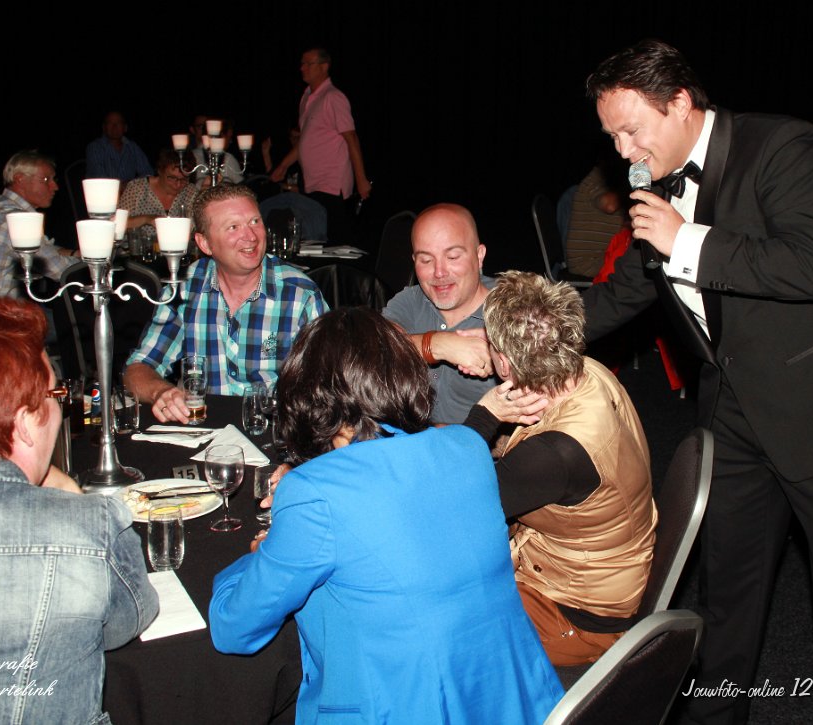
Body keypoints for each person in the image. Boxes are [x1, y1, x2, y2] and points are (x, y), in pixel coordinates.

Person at [583, 39, 813, 724]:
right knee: (726, 604)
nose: (624, 151)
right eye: (612, 138)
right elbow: (623, 293)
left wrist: (685, 239)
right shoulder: (654, 185)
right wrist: (523, 333)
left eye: (631, 130)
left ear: (680, 102)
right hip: (732, 414)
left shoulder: (783, 145)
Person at [209, 308, 563, 723]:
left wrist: (259, 556)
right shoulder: (467, 447)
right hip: (510, 700)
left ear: (307, 392)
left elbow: (234, 629)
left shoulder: (313, 492)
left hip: (400, 708)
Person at [0, 298, 158, 723]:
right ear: (23, 422)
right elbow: (130, 620)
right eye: (55, 394)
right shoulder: (89, 529)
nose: (60, 407)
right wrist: (73, 496)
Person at [463, 271, 655, 666]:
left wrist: (483, 417)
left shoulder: (555, 454)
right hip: (608, 572)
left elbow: (456, 502)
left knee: (438, 618)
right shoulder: (586, 370)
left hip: (577, 615)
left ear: (504, 363)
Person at [124, 183, 327, 422]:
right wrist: (161, 392)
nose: (251, 236)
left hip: (274, 431)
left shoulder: (299, 294)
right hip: (204, 431)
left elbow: (331, 383)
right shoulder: (186, 289)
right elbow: (138, 368)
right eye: (233, 227)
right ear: (205, 244)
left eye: (255, 221)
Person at [382, 203, 499, 425]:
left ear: (479, 256)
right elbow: (372, 350)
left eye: (452, 257)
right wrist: (438, 344)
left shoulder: (516, 309)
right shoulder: (410, 301)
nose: (439, 272)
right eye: (426, 260)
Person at [269, 47, 370, 242]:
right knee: (314, 240)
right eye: (302, 64)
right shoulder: (307, 97)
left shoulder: (333, 97)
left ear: (324, 66)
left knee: (334, 241)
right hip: (311, 184)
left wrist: (361, 179)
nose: (302, 68)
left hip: (331, 184)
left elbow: (351, 138)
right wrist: (283, 165)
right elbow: (306, 141)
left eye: (309, 64)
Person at [0, 150, 77, 298]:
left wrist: (73, 254)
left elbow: (43, 250)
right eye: (46, 180)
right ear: (19, 179)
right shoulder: (17, 220)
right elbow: (61, 271)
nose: (55, 186)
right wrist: (95, 261)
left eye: (54, 179)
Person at [118, 148, 198, 230]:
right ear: (160, 171)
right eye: (172, 178)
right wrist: (147, 219)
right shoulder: (137, 188)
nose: (178, 184)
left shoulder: (191, 192)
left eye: (184, 179)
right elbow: (117, 222)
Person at [85, 110, 154, 185]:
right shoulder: (95, 147)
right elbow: (100, 178)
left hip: (131, 190)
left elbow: (148, 173)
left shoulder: (132, 147)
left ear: (125, 128)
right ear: (104, 127)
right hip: (104, 190)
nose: (114, 126)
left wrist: (132, 185)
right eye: (110, 123)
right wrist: (123, 186)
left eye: (119, 123)